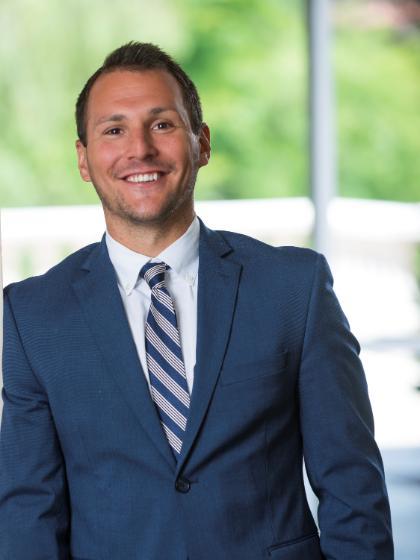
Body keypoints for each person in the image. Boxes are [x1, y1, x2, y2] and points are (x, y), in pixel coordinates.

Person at [0, 41, 393, 560]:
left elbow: (353, 488)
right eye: (113, 130)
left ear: (201, 143)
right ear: (84, 159)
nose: (139, 149)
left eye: (161, 124)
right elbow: (30, 514)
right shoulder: (33, 315)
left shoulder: (293, 288)